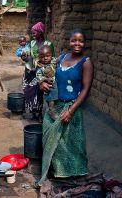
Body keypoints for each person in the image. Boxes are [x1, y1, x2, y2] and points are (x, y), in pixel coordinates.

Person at [36, 29, 94, 191]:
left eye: (80, 41)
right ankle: (57, 173)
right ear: (69, 41)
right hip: (55, 105)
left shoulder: (86, 62)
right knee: (52, 139)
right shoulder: (61, 58)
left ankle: (74, 175)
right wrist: (42, 84)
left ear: (84, 43)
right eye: (74, 40)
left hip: (71, 108)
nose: (77, 44)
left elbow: (85, 89)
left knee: (72, 144)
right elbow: (48, 74)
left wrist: (71, 110)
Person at [22, 22, 55, 122]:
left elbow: (51, 58)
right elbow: (27, 55)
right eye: (32, 33)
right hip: (30, 71)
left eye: (34, 33)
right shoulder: (31, 43)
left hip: (42, 72)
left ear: (40, 32)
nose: (33, 35)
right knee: (29, 91)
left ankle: (40, 113)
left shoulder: (48, 44)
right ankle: (33, 111)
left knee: (40, 93)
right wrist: (25, 57)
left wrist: (48, 71)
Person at [35, 45, 58, 120]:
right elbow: (38, 76)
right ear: (39, 57)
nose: (45, 58)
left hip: (56, 83)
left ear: (51, 55)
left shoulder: (54, 61)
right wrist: (45, 79)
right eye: (42, 56)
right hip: (49, 86)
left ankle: (53, 110)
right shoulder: (41, 67)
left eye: (48, 56)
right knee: (51, 99)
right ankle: (51, 110)